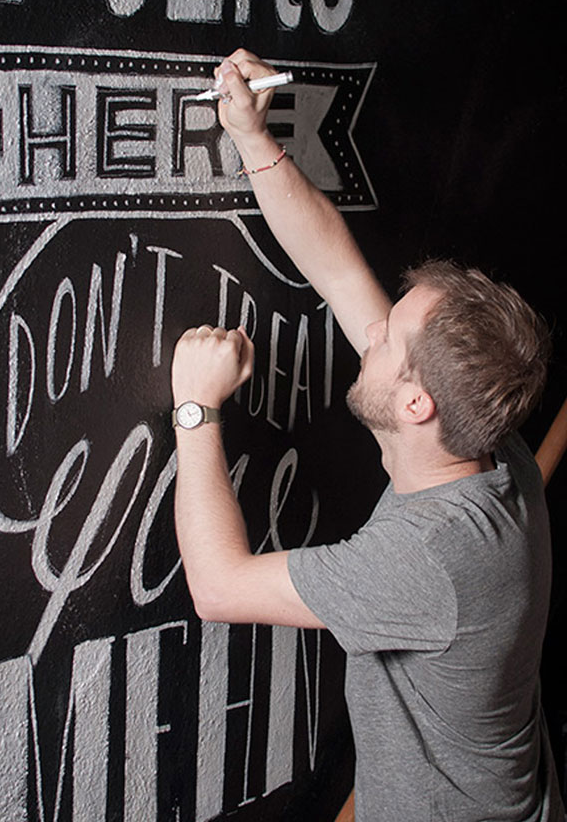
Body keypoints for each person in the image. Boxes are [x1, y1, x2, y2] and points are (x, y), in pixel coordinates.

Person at [169, 50, 564, 821]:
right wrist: (253, 137)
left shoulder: (428, 561)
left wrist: (194, 408)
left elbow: (217, 587)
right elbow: (340, 276)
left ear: (416, 404)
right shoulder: (490, 445)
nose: (372, 333)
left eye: (387, 341)